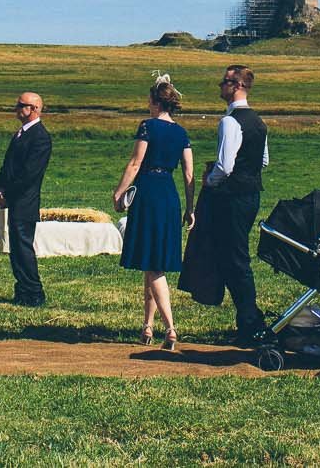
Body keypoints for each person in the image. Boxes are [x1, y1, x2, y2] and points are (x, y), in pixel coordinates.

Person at [113, 77, 194, 348]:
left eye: (149, 101)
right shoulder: (181, 132)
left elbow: (135, 163)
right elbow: (189, 173)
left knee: (155, 266)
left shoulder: (148, 127)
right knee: (152, 262)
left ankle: (170, 328)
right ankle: (147, 326)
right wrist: (191, 207)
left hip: (148, 192)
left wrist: (119, 192)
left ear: (157, 102)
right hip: (170, 196)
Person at [196, 65, 270, 345]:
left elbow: (225, 166)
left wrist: (209, 181)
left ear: (237, 85)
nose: (220, 86)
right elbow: (264, 161)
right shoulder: (259, 122)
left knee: (235, 259)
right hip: (252, 193)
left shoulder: (230, 122)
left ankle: (250, 321)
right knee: (237, 256)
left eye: (224, 82)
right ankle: (247, 320)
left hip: (231, 196)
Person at [0, 91, 53, 307]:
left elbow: (29, 174)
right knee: (16, 247)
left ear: (34, 109)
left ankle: (34, 291)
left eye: (22, 105)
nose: (17, 108)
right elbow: (8, 164)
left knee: (23, 246)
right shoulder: (20, 133)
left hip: (25, 201)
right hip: (14, 198)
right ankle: (22, 289)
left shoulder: (40, 137)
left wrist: (8, 192)